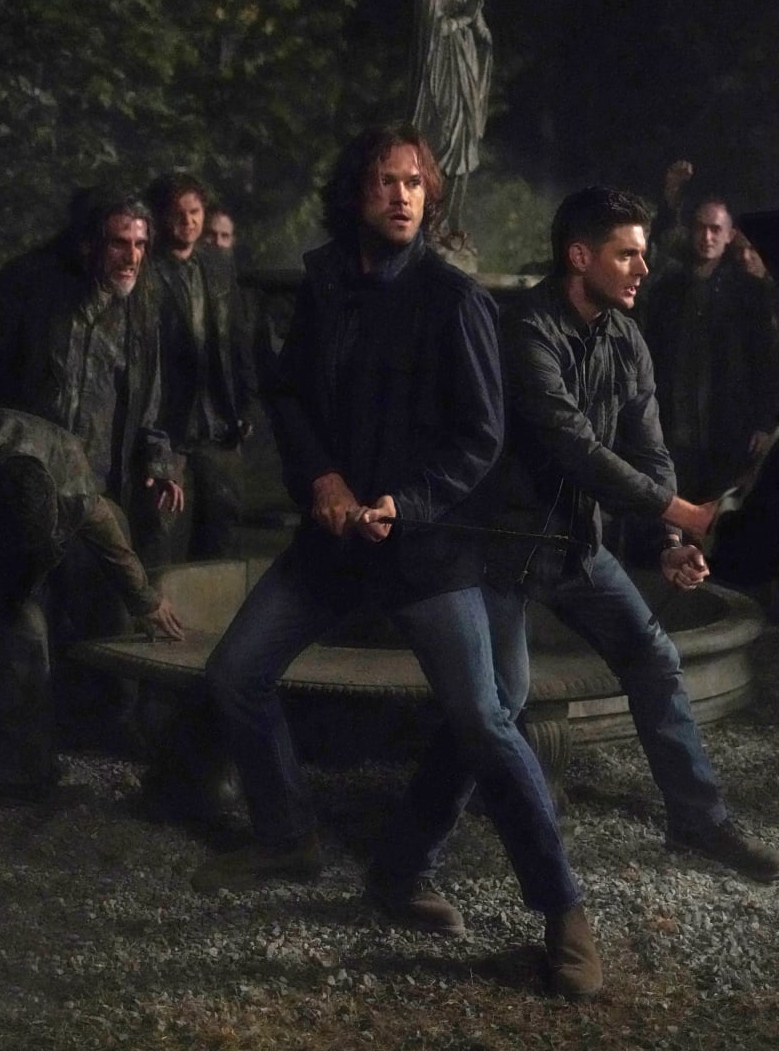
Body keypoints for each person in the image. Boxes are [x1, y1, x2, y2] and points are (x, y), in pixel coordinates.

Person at [191, 122, 603, 1000]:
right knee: (233, 676)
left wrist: (403, 503)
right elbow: (289, 396)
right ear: (357, 193)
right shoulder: (326, 285)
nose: (402, 195)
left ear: (430, 196)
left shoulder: (454, 300)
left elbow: (481, 438)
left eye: (415, 182)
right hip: (336, 540)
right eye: (385, 180)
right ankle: (288, 837)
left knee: (484, 718)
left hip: (425, 545)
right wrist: (324, 478)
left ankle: (562, 910)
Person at [478, 186, 778, 885]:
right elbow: (576, 450)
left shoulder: (625, 336)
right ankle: (418, 855)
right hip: (503, 550)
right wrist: (689, 514)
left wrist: (673, 539)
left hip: (577, 545)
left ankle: (698, 821)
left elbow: (648, 449)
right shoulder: (525, 332)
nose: (644, 268)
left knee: (653, 657)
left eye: (644, 254)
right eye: (627, 255)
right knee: (497, 702)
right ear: (580, 257)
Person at [0, 406, 183, 808]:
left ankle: (18, 776)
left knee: (24, 630)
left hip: (18, 538)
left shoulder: (69, 472)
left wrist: (144, 599)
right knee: (15, 627)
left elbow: (108, 537)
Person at [0, 188, 183, 529]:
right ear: (88, 244)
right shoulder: (29, 288)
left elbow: (149, 396)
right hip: (26, 483)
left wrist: (159, 462)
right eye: (119, 243)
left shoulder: (140, 307)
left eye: (140, 244)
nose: (132, 258)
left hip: (98, 487)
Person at [145, 173, 258, 563]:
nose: (189, 221)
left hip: (218, 425)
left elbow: (238, 338)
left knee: (221, 535)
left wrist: (245, 404)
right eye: (178, 213)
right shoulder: (148, 271)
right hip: (170, 428)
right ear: (162, 217)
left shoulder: (217, 265)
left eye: (195, 212)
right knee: (164, 537)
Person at [645, 194, 779, 499]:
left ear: (729, 234)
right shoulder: (667, 291)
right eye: (701, 228)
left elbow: (764, 361)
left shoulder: (750, 293)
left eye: (715, 229)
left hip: (728, 426)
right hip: (675, 425)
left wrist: (764, 421)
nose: (707, 237)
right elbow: (653, 355)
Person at [410, 0, 493, 231]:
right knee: (441, 137)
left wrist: (481, 29)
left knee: (464, 139)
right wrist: (465, 18)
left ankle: (451, 223)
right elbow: (432, 30)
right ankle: (429, 221)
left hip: (465, 71)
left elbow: (478, 27)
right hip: (441, 73)